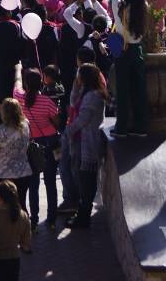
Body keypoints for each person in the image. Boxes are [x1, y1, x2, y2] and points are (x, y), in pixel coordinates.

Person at [14, 68, 61, 227]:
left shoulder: (19, 98)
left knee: (33, 184)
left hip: (31, 144)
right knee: (50, 182)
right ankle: (52, 219)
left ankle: (34, 221)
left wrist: (18, 69)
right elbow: (57, 122)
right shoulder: (47, 102)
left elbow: (16, 83)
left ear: (26, 83)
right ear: (41, 82)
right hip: (49, 142)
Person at [64, 64, 106, 228]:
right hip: (80, 141)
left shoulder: (93, 96)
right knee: (82, 179)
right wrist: (75, 86)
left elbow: (83, 119)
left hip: (87, 143)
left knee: (86, 181)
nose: (77, 77)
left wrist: (68, 130)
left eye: (79, 75)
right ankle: (82, 213)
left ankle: (83, 217)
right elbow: (73, 102)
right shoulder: (86, 91)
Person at [0, 97, 32, 212]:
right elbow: (24, 118)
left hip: (3, 174)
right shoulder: (25, 126)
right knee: (21, 205)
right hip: (23, 172)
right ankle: (24, 223)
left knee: (4, 208)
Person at [110, 0, 148, 137]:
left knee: (123, 90)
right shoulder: (143, 8)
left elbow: (114, 0)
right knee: (139, 90)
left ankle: (121, 127)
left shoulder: (121, 7)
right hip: (138, 50)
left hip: (123, 51)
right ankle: (140, 126)